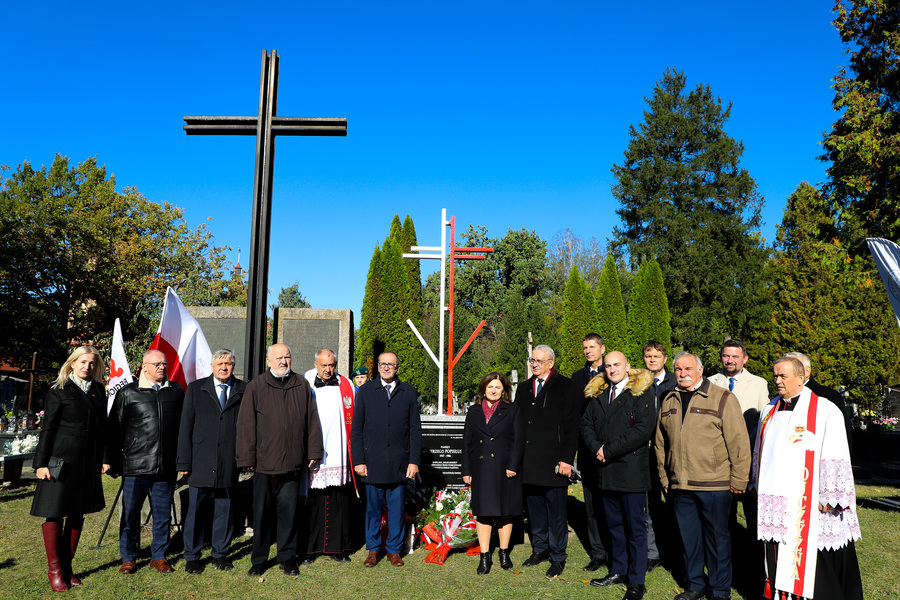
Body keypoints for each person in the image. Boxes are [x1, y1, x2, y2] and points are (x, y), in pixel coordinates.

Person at [753, 356, 863, 600]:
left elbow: (836, 451)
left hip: (808, 499)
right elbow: (759, 452)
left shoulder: (824, 409)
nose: (777, 381)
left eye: (784, 376)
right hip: (776, 500)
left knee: (813, 559)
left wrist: (829, 494)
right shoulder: (768, 410)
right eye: (775, 376)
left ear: (801, 378)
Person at [654, 352, 750, 600]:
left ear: (700, 369)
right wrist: (665, 479)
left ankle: (719, 591)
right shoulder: (669, 399)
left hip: (715, 485)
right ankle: (695, 586)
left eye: (687, 368)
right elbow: (660, 442)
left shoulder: (722, 398)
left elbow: (739, 442)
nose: (682, 373)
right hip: (680, 485)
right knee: (688, 540)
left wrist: (739, 480)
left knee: (717, 541)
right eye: (677, 369)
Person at [236, 343, 323, 577]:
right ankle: (259, 560)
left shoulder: (301, 384)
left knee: (289, 514)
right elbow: (245, 425)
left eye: (287, 357)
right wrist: (247, 457)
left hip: (293, 463)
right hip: (264, 464)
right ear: (268, 361)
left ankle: (287, 558)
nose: (284, 361)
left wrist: (314, 451)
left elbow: (312, 420)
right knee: (262, 515)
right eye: (279, 358)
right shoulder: (256, 386)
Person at [31, 346, 110, 592]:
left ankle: (68, 567)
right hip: (61, 459)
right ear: (73, 363)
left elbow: (103, 429)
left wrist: (105, 458)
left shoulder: (98, 391)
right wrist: (41, 463)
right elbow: (48, 429)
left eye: (92, 363)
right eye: (83, 361)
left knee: (78, 512)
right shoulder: (58, 390)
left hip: (88, 460)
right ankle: (55, 570)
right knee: (54, 511)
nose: (88, 366)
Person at [581, 351, 655, 600]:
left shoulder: (642, 391)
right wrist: (597, 449)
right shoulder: (599, 393)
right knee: (614, 526)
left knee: (635, 528)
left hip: (630, 470)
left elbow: (644, 429)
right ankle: (619, 570)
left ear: (627, 366)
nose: (612, 370)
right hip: (605, 470)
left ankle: (636, 581)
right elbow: (586, 425)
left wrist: (609, 450)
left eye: (616, 365)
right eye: (608, 366)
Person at [107, 349, 185, 574]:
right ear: (144, 366)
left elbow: (182, 427)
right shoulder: (128, 392)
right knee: (131, 514)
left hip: (166, 466)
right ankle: (129, 557)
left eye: (164, 363)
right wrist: (111, 460)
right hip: (136, 465)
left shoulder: (176, 391)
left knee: (162, 514)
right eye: (157, 363)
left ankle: (158, 556)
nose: (162, 367)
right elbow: (115, 429)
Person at [176, 349, 246, 574]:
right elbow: (186, 426)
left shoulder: (242, 390)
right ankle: (192, 556)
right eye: (220, 363)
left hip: (228, 462)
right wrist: (184, 463)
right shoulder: (197, 389)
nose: (224, 367)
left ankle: (220, 554)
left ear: (233, 366)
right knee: (195, 511)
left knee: (224, 511)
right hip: (201, 461)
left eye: (228, 363)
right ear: (212, 366)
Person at [351, 351, 422, 568]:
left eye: (391, 364)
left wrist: (414, 461)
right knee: (372, 509)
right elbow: (357, 429)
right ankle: (373, 549)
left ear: (398, 367)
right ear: (378, 367)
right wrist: (359, 460)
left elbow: (415, 430)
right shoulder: (365, 391)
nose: (386, 367)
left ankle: (394, 550)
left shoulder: (408, 392)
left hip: (399, 463)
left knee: (397, 509)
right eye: (383, 364)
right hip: (372, 463)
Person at [707, 339, 769, 582]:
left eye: (735, 356)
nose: (730, 360)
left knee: (753, 519)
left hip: (748, 462)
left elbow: (764, 423)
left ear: (745, 359)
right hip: (718, 463)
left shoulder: (759, 384)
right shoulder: (710, 382)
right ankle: (727, 567)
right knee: (723, 520)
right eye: (726, 356)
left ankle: (754, 568)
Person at [516, 344, 579, 580]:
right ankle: (539, 550)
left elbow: (572, 427)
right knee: (535, 510)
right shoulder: (523, 389)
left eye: (539, 361)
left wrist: (566, 459)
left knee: (556, 512)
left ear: (551, 363)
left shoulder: (566, 387)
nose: (534, 364)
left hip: (554, 462)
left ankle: (558, 556)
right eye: (532, 360)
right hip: (530, 462)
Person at [462, 372, 524, 575]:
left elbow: (518, 440)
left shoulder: (512, 409)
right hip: (481, 468)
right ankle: (485, 556)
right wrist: (466, 470)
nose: (494, 391)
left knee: (506, 511)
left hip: (505, 468)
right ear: (483, 389)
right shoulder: (473, 411)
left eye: (498, 387)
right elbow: (467, 442)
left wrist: (513, 465)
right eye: (490, 387)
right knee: (484, 512)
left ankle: (504, 553)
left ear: (504, 390)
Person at [301, 349, 358, 564]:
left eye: (331, 365)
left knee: (338, 500)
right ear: (315, 364)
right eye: (323, 365)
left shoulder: (347, 385)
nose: (327, 370)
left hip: (339, 452)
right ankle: (309, 549)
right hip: (313, 452)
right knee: (312, 502)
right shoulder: (304, 382)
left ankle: (338, 548)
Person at [569, 333, 610, 572]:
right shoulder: (578, 378)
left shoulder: (613, 372)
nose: (587, 351)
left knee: (611, 505)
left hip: (610, 449)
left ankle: (616, 550)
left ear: (602, 348)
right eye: (584, 347)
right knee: (592, 506)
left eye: (592, 347)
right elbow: (575, 414)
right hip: (587, 449)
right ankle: (598, 553)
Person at [641, 340, 675, 573]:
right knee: (648, 505)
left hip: (672, 452)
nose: (652, 359)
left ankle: (674, 550)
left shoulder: (675, 382)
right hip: (645, 454)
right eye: (648, 356)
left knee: (674, 504)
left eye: (656, 356)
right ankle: (652, 552)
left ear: (664, 359)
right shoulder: (638, 383)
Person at [784, 351, 853, 451]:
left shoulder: (828, 396)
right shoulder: (779, 399)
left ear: (807, 372)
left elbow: (842, 435)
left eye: (794, 368)